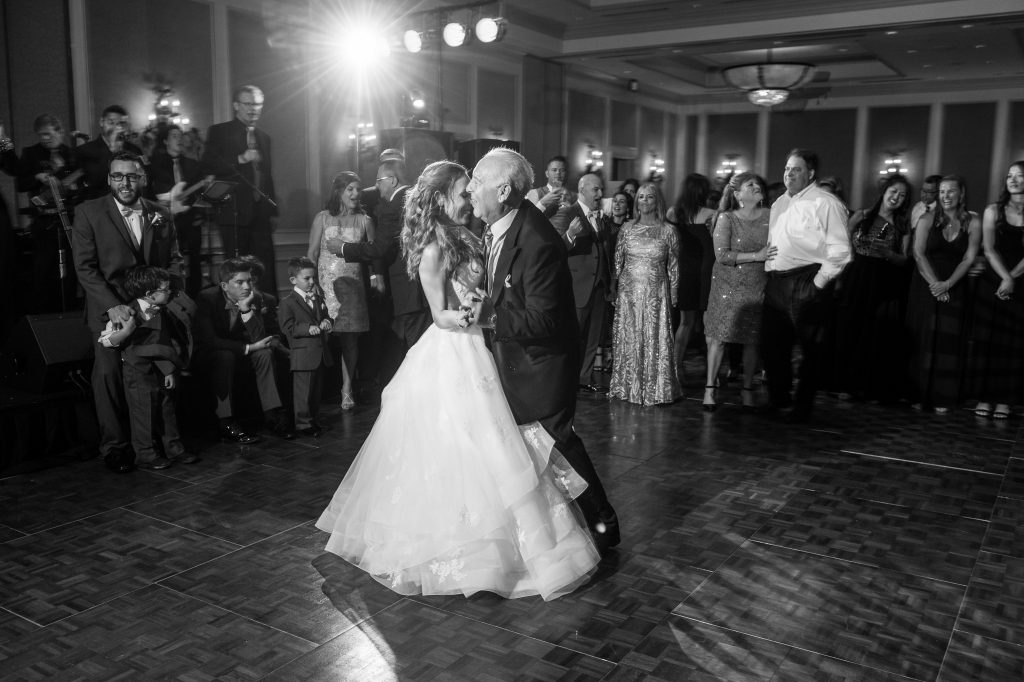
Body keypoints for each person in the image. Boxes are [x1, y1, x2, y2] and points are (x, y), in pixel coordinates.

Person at [316, 160, 600, 600]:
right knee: (464, 445)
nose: (469, 197)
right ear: (443, 196)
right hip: (456, 349)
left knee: (501, 443)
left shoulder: (471, 235)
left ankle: (563, 532)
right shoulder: (432, 248)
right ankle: (464, 546)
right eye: (464, 190)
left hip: (487, 347)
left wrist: (485, 312)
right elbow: (440, 315)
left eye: (474, 188)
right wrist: (471, 315)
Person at [468, 147, 619, 553]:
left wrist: (491, 318)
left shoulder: (537, 241)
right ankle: (533, 531)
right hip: (515, 359)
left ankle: (604, 523)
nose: (469, 188)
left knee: (557, 444)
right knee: (531, 449)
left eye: (477, 181)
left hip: (543, 365)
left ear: (502, 190)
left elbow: (547, 319)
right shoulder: (499, 225)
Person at [72, 151, 183, 473]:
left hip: (152, 308)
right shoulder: (88, 212)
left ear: (142, 179)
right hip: (108, 310)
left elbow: (174, 260)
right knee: (107, 376)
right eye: (118, 176)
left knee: (152, 375)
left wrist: (163, 298)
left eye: (131, 176)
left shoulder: (160, 213)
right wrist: (113, 306)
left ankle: (156, 444)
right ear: (109, 179)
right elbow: (85, 268)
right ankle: (114, 447)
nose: (125, 182)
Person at [762, 149, 851, 422]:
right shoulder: (779, 203)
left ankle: (802, 407)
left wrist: (817, 283)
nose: (789, 173)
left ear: (811, 173)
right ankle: (780, 401)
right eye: (787, 168)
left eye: (796, 169)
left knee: (811, 352)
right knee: (773, 349)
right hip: (776, 283)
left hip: (807, 280)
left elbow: (840, 251)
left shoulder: (826, 203)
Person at [324, 159, 426, 391]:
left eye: (379, 181)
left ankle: (411, 394)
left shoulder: (395, 205)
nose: (376, 186)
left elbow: (378, 248)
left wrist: (343, 248)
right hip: (418, 287)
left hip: (408, 289)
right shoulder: (413, 199)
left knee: (413, 348)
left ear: (392, 180)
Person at [99, 265, 197, 470]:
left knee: (167, 409)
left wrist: (169, 369)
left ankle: (174, 448)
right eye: (165, 289)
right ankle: (145, 454)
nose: (169, 292)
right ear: (150, 294)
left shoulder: (166, 310)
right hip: (138, 371)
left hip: (161, 367)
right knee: (143, 411)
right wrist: (126, 332)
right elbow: (107, 340)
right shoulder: (127, 312)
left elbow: (170, 342)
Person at [194, 257, 294, 442]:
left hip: (242, 349)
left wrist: (246, 310)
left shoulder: (253, 297)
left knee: (264, 353)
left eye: (248, 281)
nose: (247, 286)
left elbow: (260, 339)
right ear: (225, 286)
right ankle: (226, 421)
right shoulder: (207, 298)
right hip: (213, 351)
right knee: (225, 357)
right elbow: (209, 340)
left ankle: (273, 416)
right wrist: (248, 347)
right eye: (239, 282)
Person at [833, 175, 913, 403]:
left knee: (873, 334)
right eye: (894, 191)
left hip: (882, 279)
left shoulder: (902, 224)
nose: (896, 197)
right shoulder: (862, 215)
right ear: (884, 191)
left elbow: (905, 260)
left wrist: (888, 254)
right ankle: (844, 384)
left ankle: (868, 385)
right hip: (855, 276)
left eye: (902, 195)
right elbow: (841, 243)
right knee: (849, 328)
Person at [907, 175, 981, 413]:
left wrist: (948, 284)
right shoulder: (926, 218)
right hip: (926, 283)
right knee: (924, 338)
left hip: (955, 284)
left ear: (961, 194)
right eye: (942, 192)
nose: (946, 196)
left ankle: (944, 397)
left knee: (949, 341)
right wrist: (935, 285)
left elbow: (969, 257)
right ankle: (918, 395)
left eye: (951, 192)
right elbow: (918, 254)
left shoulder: (973, 222)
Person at [702, 172, 770, 412]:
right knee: (719, 337)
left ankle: (747, 388)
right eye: (750, 185)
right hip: (727, 284)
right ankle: (710, 388)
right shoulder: (727, 218)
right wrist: (756, 256)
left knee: (752, 339)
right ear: (738, 194)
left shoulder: (771, 216)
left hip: (757, 283)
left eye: (757, 184)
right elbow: (722, 255)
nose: (756, 187)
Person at [609, 182, 681, 406]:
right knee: (629, 336)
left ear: (657, 200)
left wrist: (674, 292)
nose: (645, 201)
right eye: (641, 197)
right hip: (628, 293)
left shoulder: (669, 230)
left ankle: (655, 389)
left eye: (649, 197)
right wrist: (614, 289)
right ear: (636, 202)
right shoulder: (627, 229)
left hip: (656, 294)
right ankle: (627, 386)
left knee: (654, 337)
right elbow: (617, 262)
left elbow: (674, 266)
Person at [203, 85, 279, 292]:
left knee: (265, 268)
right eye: (248, 104)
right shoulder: (220, 132)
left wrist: (272, 211)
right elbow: (208, 164)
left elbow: (266, 177)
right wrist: (240, 158)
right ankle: (237, 314)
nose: (253, 109)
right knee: (236, 269)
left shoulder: (264, 138)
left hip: (260, 214)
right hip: (233, 212)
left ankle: (267, 313)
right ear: (236, 105)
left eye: (257, 104)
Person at [307, 171, 371, 410]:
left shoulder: (365, 220)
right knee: (322, 335)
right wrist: (311, 284)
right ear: (339, 192)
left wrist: (376, 278)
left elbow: (373, 256)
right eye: (350, 189)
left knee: (350, 340)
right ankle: (317, 392)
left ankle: (347, 388)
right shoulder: (322, 218)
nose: (355, 194)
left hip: (352, 287)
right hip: (325, 285)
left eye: (358, 189)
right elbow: (312, 253)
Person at [7, 114, 81, 312]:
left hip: (68, 219)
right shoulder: (31, 153)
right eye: (41, 135)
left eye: (48, 134)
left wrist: (73, 184)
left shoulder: (71, 153)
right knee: (43, 269)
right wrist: (37, 177)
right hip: (43, 221)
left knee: (71, 269)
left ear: (60, 131)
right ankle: (44, 313)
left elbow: (80, 183)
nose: (45, 139)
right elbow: (21, 183)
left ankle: (70, 309)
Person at [968, 161, 1024, 419]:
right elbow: (988, 249)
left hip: (1020, 281)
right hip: (993, 279)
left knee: (1013, 341)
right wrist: (1004, 277)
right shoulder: (993, 210)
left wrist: (1012, 278)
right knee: (987, 340)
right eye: (1010, 175)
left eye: (1020, 176)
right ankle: (984, 396)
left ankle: (1005, 400)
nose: (1013, 180)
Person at [554, 173, 613, 392]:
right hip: (576, 286)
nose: (600, 194)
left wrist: (610, 284)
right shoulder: (567, 214)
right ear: (582, 189)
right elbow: (554, 249)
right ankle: (566, 378)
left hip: (599, 286)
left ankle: (584, 377)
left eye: (601, 190)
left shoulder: (601, 218)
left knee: (592, 336)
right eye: (595, 189)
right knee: (572, 335)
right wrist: (569, 235)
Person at [146, 124, 212, 296]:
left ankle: (194, 294)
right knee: (167, 259)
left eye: (181, 135)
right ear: (165, 141)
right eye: (174, 136)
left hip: (190, 219)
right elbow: (148, 193)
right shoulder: (154, 164)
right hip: (165, 220)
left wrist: (200, 214)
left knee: (194, 259)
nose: (180, 139)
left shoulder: (193, 165)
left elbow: (201, 194)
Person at [668, 174, 717, 385]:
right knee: (708, 325)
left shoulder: (673, 213)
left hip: (684, 270)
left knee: (685, 323)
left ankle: (676, 368)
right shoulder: (712, 214)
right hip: (706, 270)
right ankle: (710, 374)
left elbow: (669, 245)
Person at [278, 257, 333, 437]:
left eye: (313, 278)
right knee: (303, 393)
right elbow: (287, 327)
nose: (311, 282)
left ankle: (314, 421)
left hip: (319, 352)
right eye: (306, 279)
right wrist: (308, 329)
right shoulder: (287, 302)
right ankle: (303, 424)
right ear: (294, 280)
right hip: (303, 355)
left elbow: (325, 315)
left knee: (316, 392)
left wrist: (326, 321)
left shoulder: (316, 298)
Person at [74, 105, 142, 201]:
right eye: (111, 122)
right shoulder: (85, 150)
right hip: (100, 206)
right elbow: (95, 181)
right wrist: (113, 149)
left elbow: (144, 180)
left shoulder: (134, 150)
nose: (116, 127)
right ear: (102, 122)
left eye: (121, 123)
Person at [526, 155, 575, 219]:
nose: (558, 173)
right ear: (547, 174)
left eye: (562, 170)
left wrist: (572, 211)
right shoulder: (535, 193)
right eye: (554, 170)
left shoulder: (574, 196)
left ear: (567, 174)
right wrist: (542, 203)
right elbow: (529, 219)